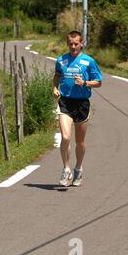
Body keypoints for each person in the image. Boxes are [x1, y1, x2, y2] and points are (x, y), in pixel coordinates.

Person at [53, 31, 102, 190]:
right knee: (66, 137)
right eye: (70, 44)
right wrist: (54, 87)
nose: (73, 46)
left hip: (81, 104)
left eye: (76, 44)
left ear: (81, 43)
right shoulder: (61, 60)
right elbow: (57, 75)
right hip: (65, 102)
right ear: (67, 43)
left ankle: (78, 169)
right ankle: (66, 169)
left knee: (79, 142)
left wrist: (85, 83)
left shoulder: (89, 62)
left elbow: (99, 82)